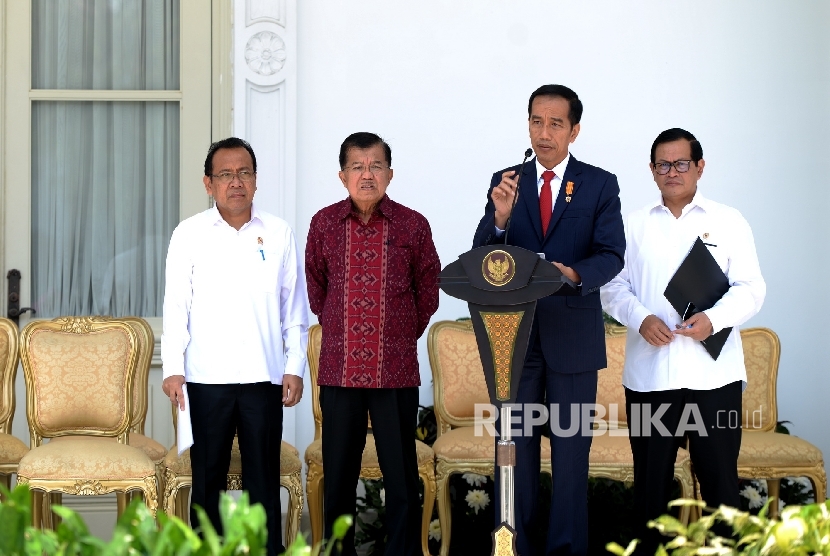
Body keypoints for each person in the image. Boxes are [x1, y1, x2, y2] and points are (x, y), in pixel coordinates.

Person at [472, 84, 625, 556]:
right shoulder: (508, 180)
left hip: (572, 339)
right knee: (512, 454)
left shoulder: (600, 183)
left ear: (574, 130)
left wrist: (572, 273)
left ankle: (565, 550)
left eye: (555, 123)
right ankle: (510, 548)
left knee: (571, 456)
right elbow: (482, 256)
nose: (544, 132)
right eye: (536, 121)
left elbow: (611, 255)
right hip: (514, 339)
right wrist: (499, 218)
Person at [600, 128, 765, 554]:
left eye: (681, 164)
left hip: (714, 379)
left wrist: (714, 318)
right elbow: (612, 287)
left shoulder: (728, 220)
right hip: (651, 379)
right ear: (652, 171)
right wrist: (640, 318)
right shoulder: (632, 225)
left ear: (699, 167)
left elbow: (751, 288)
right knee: (651, 494)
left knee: (721, 491)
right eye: (662, 165)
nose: (671, 172)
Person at [161, 137, 309, 555]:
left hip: (263, 378)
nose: (236, 182)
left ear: (256, 181)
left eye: (244, 172)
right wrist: (173, 367)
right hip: (206, 381)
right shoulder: (188, 234)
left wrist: (294, 366)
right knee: (208, 482)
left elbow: (294, 308)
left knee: (263, 480)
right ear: (208, 184)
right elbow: (176, 306)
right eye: (225, 174)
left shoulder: (278, 233)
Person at [305, 132, 440, 556]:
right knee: (339, 476)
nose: (367, 175)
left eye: (376, 166)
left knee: (400, 477)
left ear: (390, 173)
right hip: (340, 370)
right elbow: (316, 288)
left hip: (395, 371)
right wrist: (346, 328)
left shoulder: (413, 225)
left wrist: (397, 333)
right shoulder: (324, 223)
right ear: (342, 175)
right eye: (358, 167)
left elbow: (428, 291)